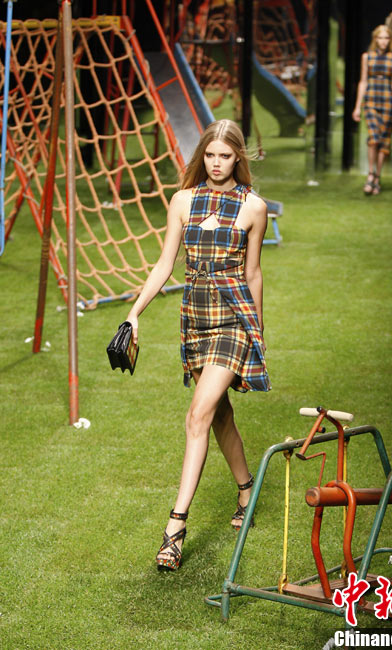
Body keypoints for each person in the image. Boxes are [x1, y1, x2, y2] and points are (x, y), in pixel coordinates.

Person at [125, 119, 271, 571]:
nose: (216, 163)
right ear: (202, 155)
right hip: (196, 318)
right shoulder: (183, 201)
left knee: (197, 415)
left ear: (238, 157)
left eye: (225, 156)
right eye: (210, 155)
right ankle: (246, 489)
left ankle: (175, 526)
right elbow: (164, 264)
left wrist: (258, 333)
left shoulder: (254, 207)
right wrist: (134, 312)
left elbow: (253, 274)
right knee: (219, 413)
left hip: (234, 320)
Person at [352, 25, 392, 195]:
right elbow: (363, 81)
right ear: (375, 39)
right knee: (373, 138)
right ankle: (370, 173)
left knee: (384, 141)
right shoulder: (367, 57)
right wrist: (357, 106)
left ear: (390, 40)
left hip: (388, 102)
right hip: (371, 100)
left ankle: (377, 177)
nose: (383, 41)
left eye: (386, 38)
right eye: (380, 38)